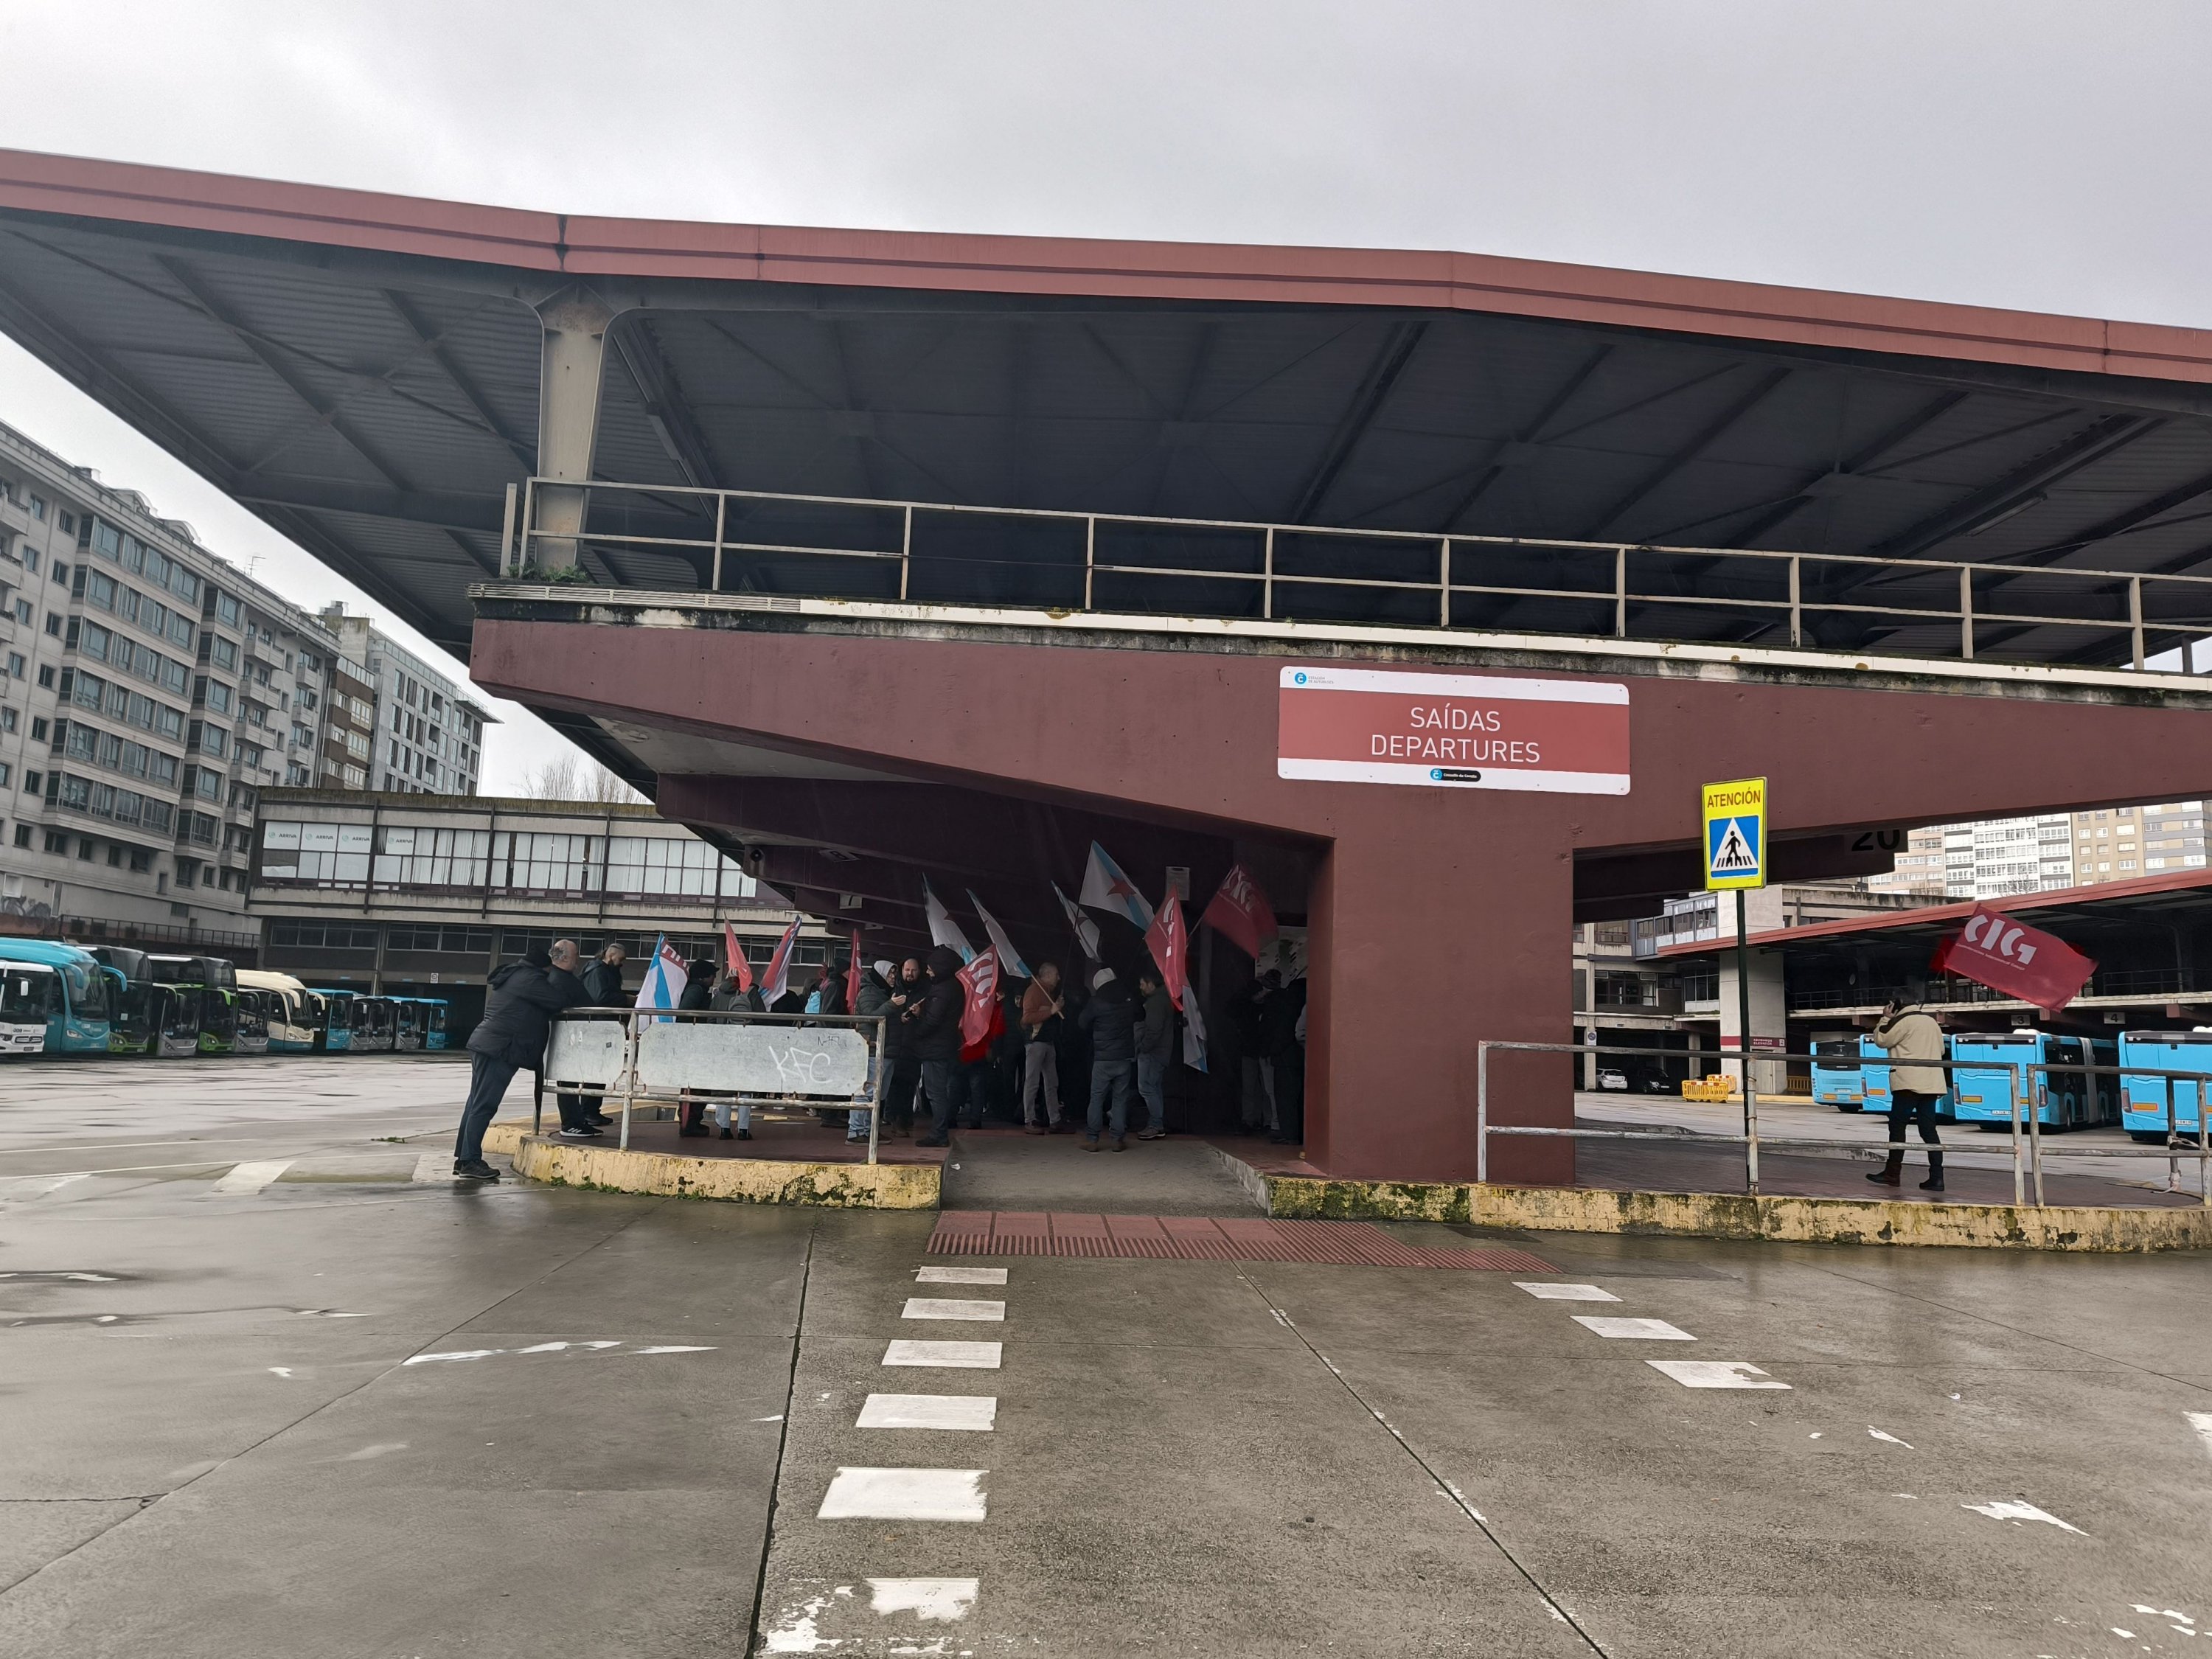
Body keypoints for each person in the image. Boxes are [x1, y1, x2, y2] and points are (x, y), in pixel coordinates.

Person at [456, 939, 588, 1178]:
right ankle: (470, 1161)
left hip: (489, 1044)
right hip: (500, 1049)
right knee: (484, 1105)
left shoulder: (515, 975)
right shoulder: (530, 979)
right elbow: (558, 1001)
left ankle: (463, 1158)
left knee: (475, 1103)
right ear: (543, 967)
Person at [1867, 990, 1947, 1192]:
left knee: (1897, 1126)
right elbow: (1942, 1051)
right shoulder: (1931, 1022)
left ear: (1897, 1004)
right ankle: (1937, 1178)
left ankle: (1892, 1174)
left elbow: (1882, 1040)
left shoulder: (1902, 1021)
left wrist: (1885, 1018)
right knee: (1929, 1130)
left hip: (1908, 1083)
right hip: (1931, 1083)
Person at [557, 942, 627, 1131]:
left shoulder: (601, 971)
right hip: (596, 1027)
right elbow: (600, 998)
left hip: (601, 1026)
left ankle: (591, 1110)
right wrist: (627, 999)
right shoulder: (598, 972)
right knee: (594, 1071)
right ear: (611, 956)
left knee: (599, 1071)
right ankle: (588, 1111)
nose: (622, 963)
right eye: (620, 959)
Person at [907, 945, 966, 1147]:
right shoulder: (954, 986)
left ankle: (939, 1134)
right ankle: (940, 1131)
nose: (927, 971)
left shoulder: (942, 990)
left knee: (935, 1093)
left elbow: (933, 1021)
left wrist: (917, 1025)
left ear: (941, 968)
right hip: (946, 1045)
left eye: (931, 968)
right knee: (941, 1091)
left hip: (935, 1048)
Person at [1077, 965, 1138, 1152]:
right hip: (1124, 1059)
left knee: (1096, 1098)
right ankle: (1117, 1140)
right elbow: (1141, 1015)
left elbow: (1082, 1023)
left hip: (1103, 1059)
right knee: (1120, 1099)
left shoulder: (1096, 1002)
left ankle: (1092, 1140)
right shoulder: (1128, 1000)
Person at [852, 959, 899, 1144]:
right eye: (890, 973)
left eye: (894, 973)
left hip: (883, 1050)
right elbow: (871, 1017)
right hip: (872, 1050)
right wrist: (892, 1005)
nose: (893, 977)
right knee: (866, 1093)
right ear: (880, 974)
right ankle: (856, 1132)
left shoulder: (882, 992)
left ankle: (869, 1131)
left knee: (876, 1095)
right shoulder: (869, 993)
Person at [1018, 962, 1066, 1134]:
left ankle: (1055, 1119)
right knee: (1032, 1082)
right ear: (1046, 975)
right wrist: (1051, 1011)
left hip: (1048, 1042)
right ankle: (1029, 1119)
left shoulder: (1047, 992)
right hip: (1036, 1042)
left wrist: (1056, 1007)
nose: (1058, 978)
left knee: (1052, 1083)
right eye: (1056, 974)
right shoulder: (1034, 991)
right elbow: (1027, 1018)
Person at [880, 956, 925, 1135]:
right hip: (896, 1043)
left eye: (913, 970)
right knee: (895, 1083)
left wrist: (920, 1014)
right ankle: (894, 1119)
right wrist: (897, 1017)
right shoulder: (894, 989)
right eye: (907, 970)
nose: (910, 973)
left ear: (919, 972)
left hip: (915, 1044)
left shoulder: (926, 990)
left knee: (910, 1082)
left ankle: (905, 1117)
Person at [1233, 972, 1279, 1135]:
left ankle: (1265, 1121)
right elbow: (1233, 1009)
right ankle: (1252, 1120)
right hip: (1253, 1050)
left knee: (1267, 1089)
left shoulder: (1273, 1003)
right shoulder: (1247, 1006)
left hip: (1263, 1050)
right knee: (1253, 1088)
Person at [675, 959, 717, 1137]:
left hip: (693, 1044)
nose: (714, 978)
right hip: (694, 1045)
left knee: (694, 1086)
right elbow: (685, 1013)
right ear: (704, 977)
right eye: (712, 975)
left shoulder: (695, 988)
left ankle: (690, 1123)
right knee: (696, 1086)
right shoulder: (696, 990)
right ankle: (690, 1124)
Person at [1133, 967, 1173, 1141]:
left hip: (1153, 1053)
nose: (1141, 987)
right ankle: (1156, 1123)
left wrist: (1143, 1047)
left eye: (1143, 984)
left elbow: (1154, 1030)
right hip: (1162, 1052)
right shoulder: (1165, 999)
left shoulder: (1155, 1002)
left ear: (1151, 984)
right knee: (1155, 1088)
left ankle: (1156, 1124)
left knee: (1146, 1088)